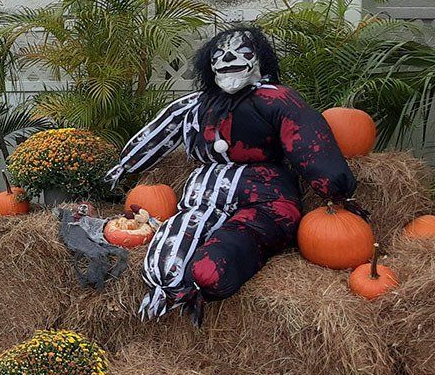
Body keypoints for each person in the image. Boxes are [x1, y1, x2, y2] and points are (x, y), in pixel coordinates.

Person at [104, 26, 358, 326]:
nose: (228, 59)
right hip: (203, 198)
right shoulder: (195, 105)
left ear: (260, 60)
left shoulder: (277, 99)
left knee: (227, 252)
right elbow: (161, 132)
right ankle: (165, 287)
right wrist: (126, 165)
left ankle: (217, 267)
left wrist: (335, 185)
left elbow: (306, 138)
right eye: (219, 55)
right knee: (180, 232)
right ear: (209, 65)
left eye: (242, 53)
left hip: (264, 200)